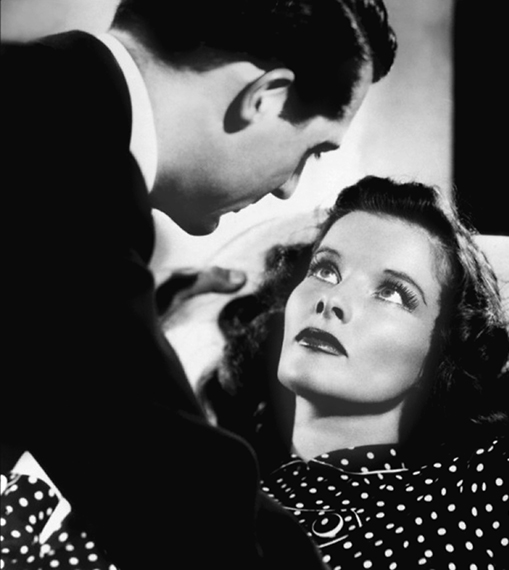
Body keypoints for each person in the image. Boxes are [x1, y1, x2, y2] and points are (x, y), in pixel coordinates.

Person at [9, 176, 509, 569]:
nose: (333, 299)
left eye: (393, 292)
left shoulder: (481, 503)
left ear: (442, 359)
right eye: (325, 269)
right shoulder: (197, 459)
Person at [0, 2, 396, 569]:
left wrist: (132, 306)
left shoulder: (39, 92)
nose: (289, 188)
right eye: (311, 150)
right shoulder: (66, 157)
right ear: (267, 97)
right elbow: (159, 473)